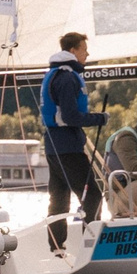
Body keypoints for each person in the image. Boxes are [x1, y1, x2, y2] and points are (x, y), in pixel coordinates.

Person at [40, 32, 105, 245]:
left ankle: (56, 247)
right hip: (68, 147)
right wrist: (100, 118)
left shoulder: (55, 74)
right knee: (93, 194)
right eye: (84, 50)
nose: (87, 54)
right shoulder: (67, 78)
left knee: (59, 199)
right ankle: (91, 244)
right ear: (73, 51)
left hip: (53, 146)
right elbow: (70, 116)